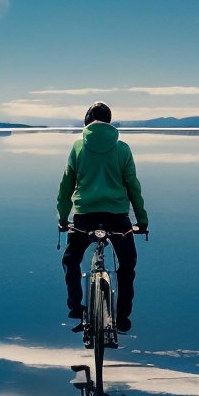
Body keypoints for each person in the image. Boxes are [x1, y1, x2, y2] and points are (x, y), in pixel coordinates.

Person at [57, 101, 148, 332]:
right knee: (127, 265)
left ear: (87, 121)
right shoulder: (123, 149)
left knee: (71, 260)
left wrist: (62, 217)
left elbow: (66, 185)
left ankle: (75, 306)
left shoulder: (78, 147)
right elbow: (133, 186)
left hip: (84, 216)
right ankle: (123, 317)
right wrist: (142, 220)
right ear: (109, 122)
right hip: (117, 217)